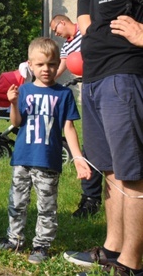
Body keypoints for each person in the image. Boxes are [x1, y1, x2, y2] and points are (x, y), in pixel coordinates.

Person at [57, 0, 143, 276]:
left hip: (123, 78)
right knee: (109, 171)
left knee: (132, 173)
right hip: (94, 81)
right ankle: (112, 249)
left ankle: (131, 263)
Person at [0, 37, 91, 264]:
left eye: (51, 64)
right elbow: (17, 122)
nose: (46, 69)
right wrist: (12, 103)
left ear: (58, 64)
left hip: (48, 160)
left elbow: (68, 127)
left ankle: (41, 245)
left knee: (46, 206)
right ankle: (15, 239)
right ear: (30, 65)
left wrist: (78, 157)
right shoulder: (24, 90)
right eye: (40, 65)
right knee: (17, 201)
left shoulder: (64, 94)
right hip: (22, 158)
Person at [50, 13, 102, 218]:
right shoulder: (66, 47)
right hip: (89, 89)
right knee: (92, 143)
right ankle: (91, 198)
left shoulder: (86, 30)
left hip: (104, 83)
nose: (57, 33)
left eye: (56, 29)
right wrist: (44, 83)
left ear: (63, 22)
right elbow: (61, 68)